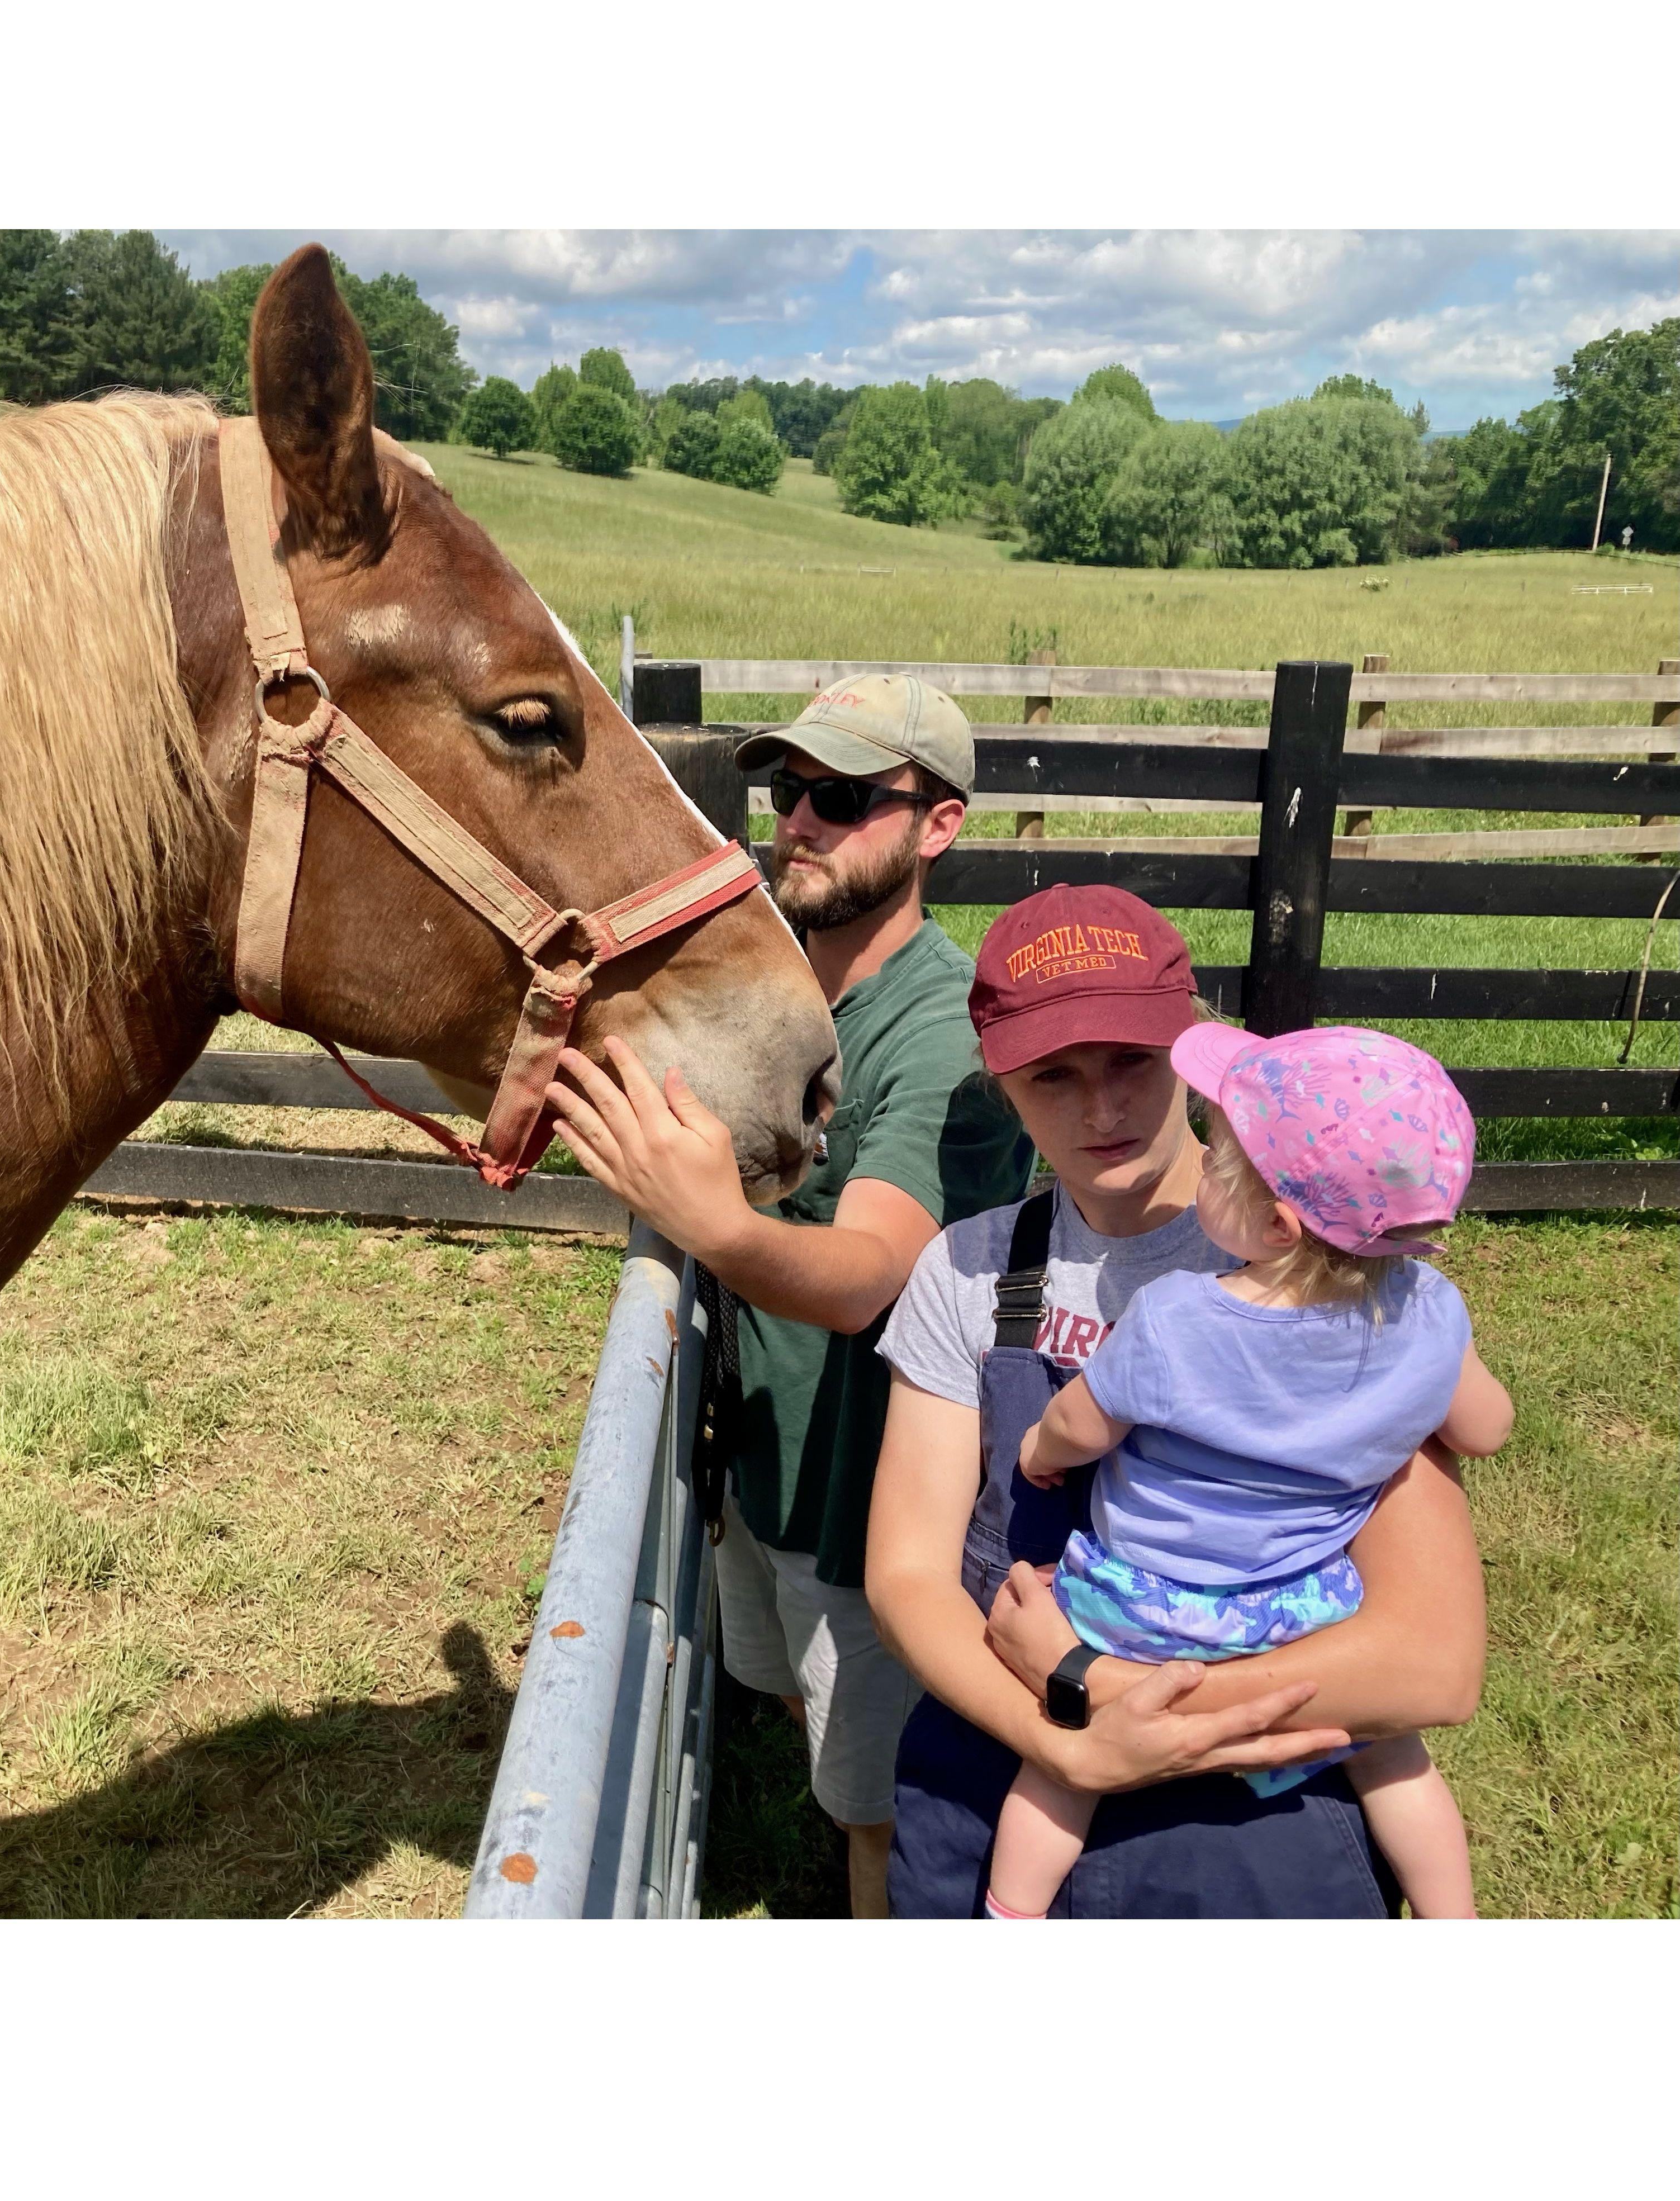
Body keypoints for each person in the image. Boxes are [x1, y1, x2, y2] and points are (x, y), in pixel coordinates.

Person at [865, 885, 1492, 1919]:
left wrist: (1098, 1694)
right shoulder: (969, 1273)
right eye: (1052, 1076)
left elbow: (1432, 1664)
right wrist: (1059, 1736)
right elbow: (906, 1576)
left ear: (1192, 1047)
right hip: (1010, 1755)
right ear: (999, 1080)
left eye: (1132, 1064)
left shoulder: (1336, 1282)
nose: (1102, 1110)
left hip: (1253, 1806)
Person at [544, 672, 1034, 1915]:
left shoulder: (938, 1032)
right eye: (786, 791)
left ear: (939, 826)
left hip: (861, 1502)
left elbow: (878, 1272)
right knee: (791, 1702)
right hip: (758, 1464)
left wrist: (709, 1222)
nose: (797, 822)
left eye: (843, 797)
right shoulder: (776, 989)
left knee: (874, 1806)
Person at [986, 1023, 1513, 1920]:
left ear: (1277, 1223)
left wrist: (1039, 1451)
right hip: (1306, 1612)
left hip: (1140, 1609)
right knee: (1393, 1757)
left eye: (1217, 1151)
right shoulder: (1428, 1312)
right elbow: (1487, 1428)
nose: (1203, 1154)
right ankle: (1450, 1918)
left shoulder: (1176, 1318)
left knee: (1055, 1767)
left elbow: (1082, 1422)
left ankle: (1012, 1914)